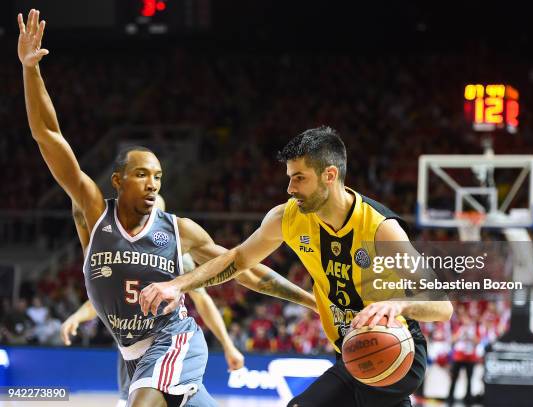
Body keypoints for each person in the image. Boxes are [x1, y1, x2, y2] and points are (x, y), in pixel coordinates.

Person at [17, 10, 315, 407]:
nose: (153, 182)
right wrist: (30, 70)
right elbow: (48, 135)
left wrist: (314, 301)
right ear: (118, 181)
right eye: (142, 174)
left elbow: (246, 269)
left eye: (158, 175)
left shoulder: (179, 231)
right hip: (131, 357)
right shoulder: (92, 213)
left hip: (174, 340)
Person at [140, 127, 453, 406]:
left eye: (299, 178)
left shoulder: (380, 229)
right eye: (289, 178)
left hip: (393, 349)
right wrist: (177, 284)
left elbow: (443, 306)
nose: (290, 188)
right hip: (351, 349)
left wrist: (396, 304)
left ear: (330, 175)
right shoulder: (287, 218)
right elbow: (237, 260)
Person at [61, 196, 245, 407]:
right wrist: (78, 315)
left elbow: (203, 300)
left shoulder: (174, 252)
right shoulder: (116, 248)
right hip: (131, 346)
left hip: (164, 339)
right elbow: (101, 299)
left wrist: (228, 345)